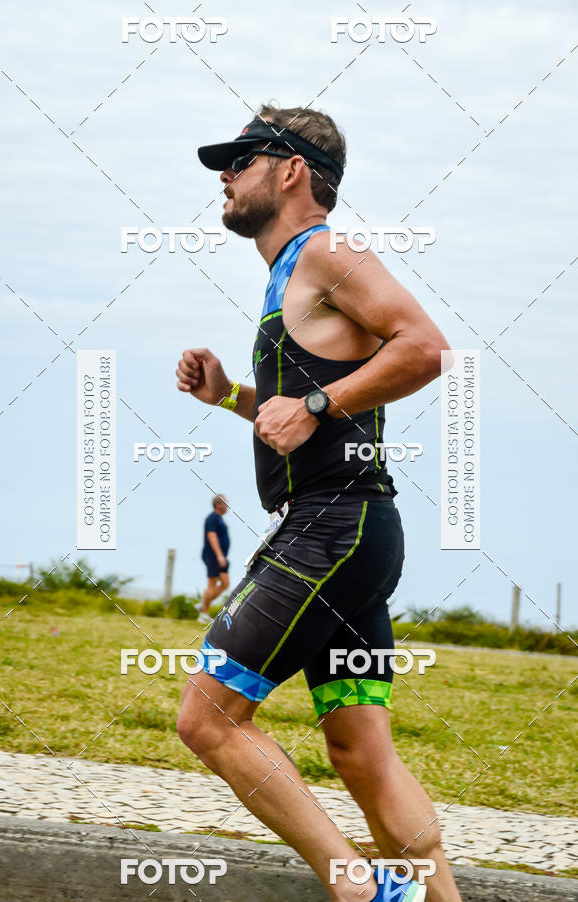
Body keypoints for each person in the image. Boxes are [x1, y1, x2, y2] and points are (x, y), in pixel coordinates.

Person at [176, 103, 462, 902]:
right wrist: (230, 394)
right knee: (362, 755)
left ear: (292, 169)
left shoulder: (325, 252)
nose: (224, 177)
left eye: (241, 159)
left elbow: (427, 346)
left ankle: (356, 889)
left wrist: (316, 408)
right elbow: (295, 407)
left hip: (331, 530)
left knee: (208, 717)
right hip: (361, 535)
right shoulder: (289, 276)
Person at [197, 494, 230, 624]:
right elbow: (212, 537)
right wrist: (219, 555)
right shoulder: (212, 519)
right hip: (213, 556)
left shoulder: (220, 519)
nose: (227, 506)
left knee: (225, 583)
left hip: (220, 557)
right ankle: (203, 614)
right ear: (218, 504)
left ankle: (203, 604)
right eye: (225, 503)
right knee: (212, 585)